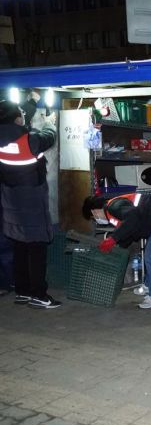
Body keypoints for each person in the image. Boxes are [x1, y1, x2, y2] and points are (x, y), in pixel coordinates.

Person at [0, 98, 59, 309]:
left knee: (19, 247)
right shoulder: (28, 140)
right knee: (37, 249)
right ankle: (39, 294)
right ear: (17, 119)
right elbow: (49, 137)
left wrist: (31, 101)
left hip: (10, 202)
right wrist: (51, 121)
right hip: (32, 202)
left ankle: (23, 291)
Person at [82, 192, 151, 309]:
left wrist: (113, 239)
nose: (96, 220)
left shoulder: (113, 206)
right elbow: (129, 231)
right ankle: (149, 285)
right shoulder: (112, 211)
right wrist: (118, 247)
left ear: (94, 211)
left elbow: (133, 218)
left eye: (93, 218)